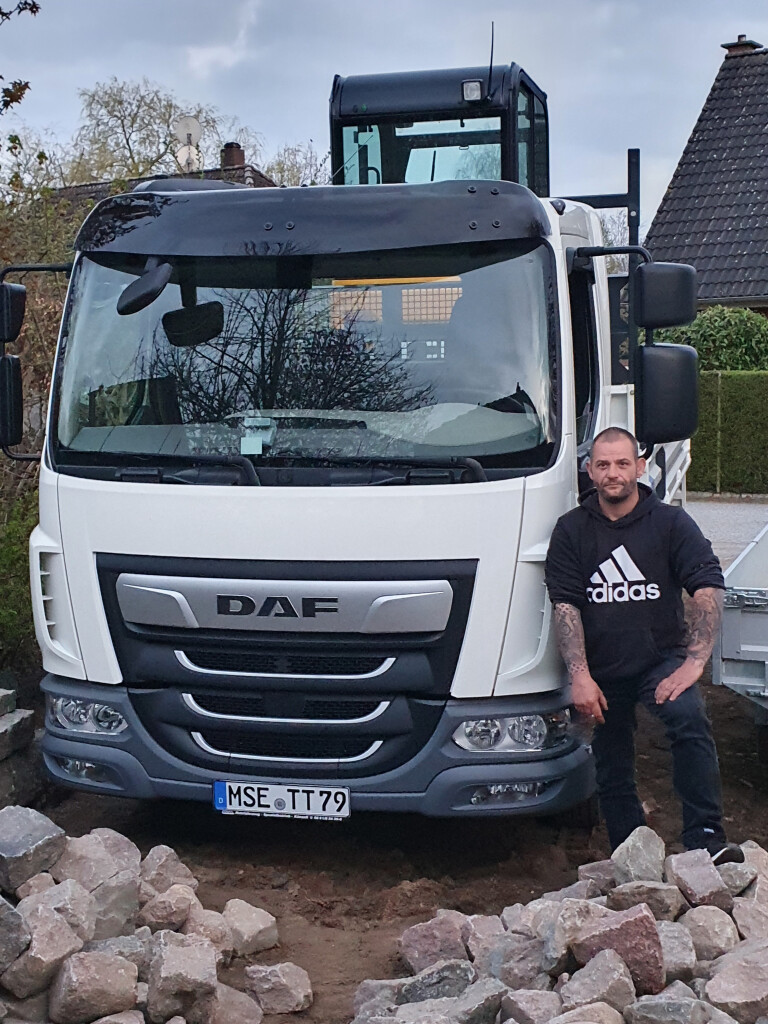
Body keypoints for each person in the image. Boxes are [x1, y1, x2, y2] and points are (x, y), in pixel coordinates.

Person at [544, 426, 743, 863]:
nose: (612, 473)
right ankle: (630, 855)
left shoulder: (671, 523)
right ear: (589, 471)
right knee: (611, 761)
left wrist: (695, 663)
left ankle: (706, 839)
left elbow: (707, 585)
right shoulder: (571, 530)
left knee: (689, 719)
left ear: (639, 466)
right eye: (602, 465)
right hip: (602, 669)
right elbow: (566, 606)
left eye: (622, 463)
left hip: (661, 660)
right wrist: (580, 677)